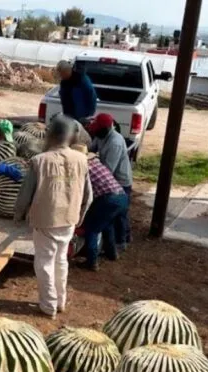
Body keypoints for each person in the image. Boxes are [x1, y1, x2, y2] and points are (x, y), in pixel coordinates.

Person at [14, 115, 92, 319]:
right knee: (61, 261)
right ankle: (60, 301)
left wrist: (18, 214)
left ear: (51, 135)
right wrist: (80, 215)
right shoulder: (82, 159)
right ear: (70, 137)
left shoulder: (39, 161)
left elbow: (25, 194)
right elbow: (88, 195)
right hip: (69, 219)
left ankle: (48, 305)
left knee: (44, 262)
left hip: (45, 220)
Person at [73, 145, 129, 271]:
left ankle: (91, 262)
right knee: (107, 225)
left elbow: (83, 192)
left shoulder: (83, 168)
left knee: (92, 229)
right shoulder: (97, 163)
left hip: (109, 199)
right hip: (122, 196)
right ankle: (112, 253)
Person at [87, 113, 133, 251]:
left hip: (120, 181)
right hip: (110, 179)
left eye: (97, 129)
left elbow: (108, 170)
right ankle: (113, 244)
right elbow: (90, 149)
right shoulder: (101, 136)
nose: (95, 132)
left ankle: (122, 241)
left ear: (106, 128)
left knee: (119, 215)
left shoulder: (115, 143)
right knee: (111, 216)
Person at [57, 60, 98, 124]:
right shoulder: (63, 83)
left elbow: (92, 97)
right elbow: (63, 99)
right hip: (69, 117)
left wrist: (89, 115)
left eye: (62, 73)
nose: (61, 76)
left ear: (68, 70)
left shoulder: (82, 80)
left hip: (83, 117)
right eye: (60, 74)